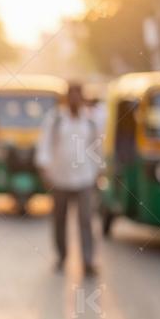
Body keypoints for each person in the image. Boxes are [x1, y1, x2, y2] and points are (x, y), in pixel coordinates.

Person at [36, 82, 104, 278]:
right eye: (71, 95)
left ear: (82, 98)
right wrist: (45, 170)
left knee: (86, 222)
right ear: (67, 98)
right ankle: (61, 256)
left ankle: (88, 261)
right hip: (60, 179)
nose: (74, 99)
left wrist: (99, 171)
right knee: (59, 221)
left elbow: (97, 148)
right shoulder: (55, 119)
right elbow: (45, 145)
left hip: (84, 179)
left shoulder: (90, 121)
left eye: (78, 95)